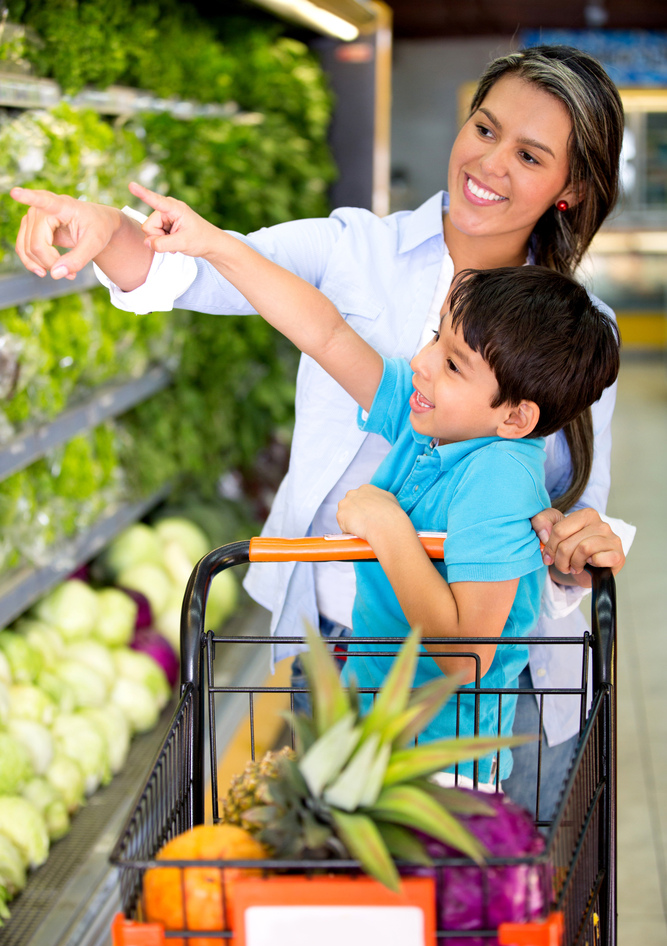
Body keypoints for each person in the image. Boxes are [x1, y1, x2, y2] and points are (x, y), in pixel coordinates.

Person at [10, 46, 632, 810]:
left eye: (529, 154)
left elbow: (567, 516)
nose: (489, 162)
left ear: (569, 188)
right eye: (483, 127)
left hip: (491, 714)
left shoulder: (577, 336)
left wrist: (572, 553)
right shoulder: (353, 250)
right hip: (343, 656)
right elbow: (257, 302)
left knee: (476, 911)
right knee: (341, 904)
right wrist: (109, 227)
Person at [109, 183, 618, 786]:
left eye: (454, 364)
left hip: (441, 774)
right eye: (437, 339)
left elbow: (468, 656)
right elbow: (324, 333)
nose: (423, 362)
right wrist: (217, 247)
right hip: (371, 739)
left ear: (515, 418)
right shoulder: (429, 421)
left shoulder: (500, 478)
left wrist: (387, 529)